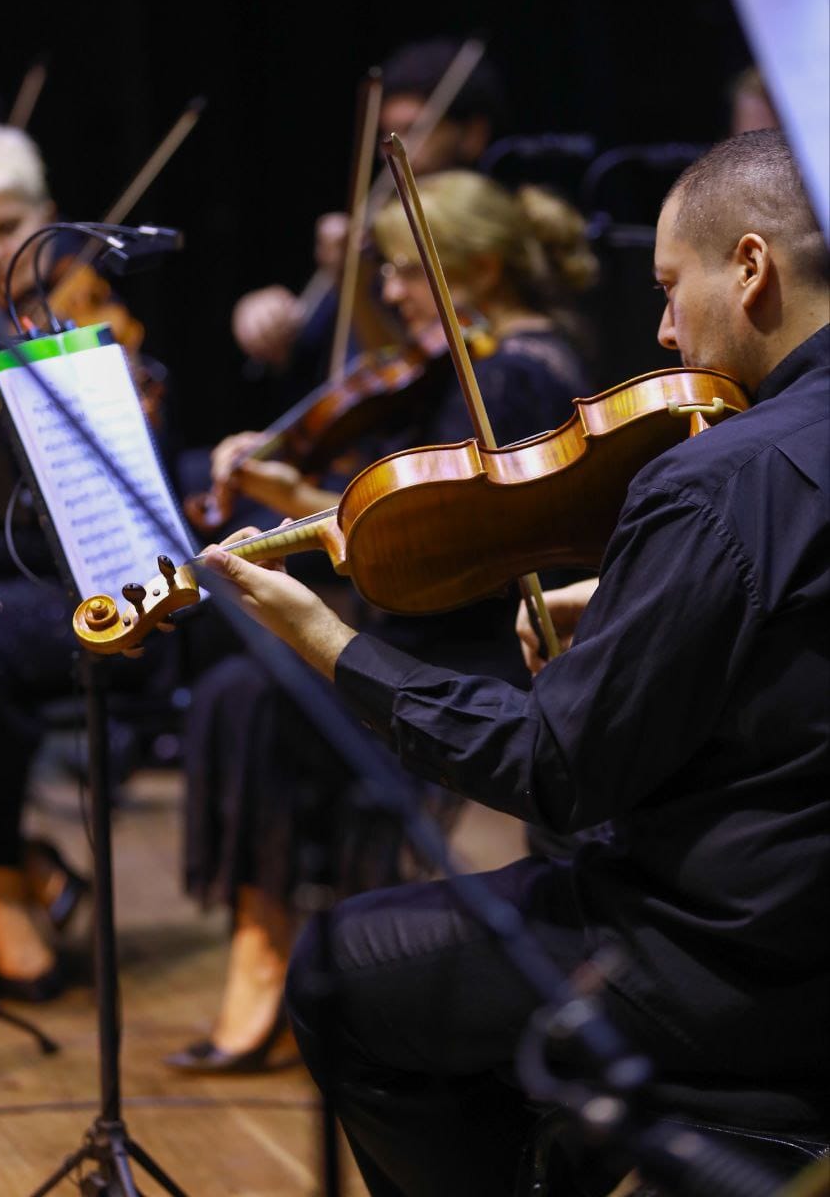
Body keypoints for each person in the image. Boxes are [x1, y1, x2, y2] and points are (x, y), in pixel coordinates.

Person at [198, 129, 829, 1194]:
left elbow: (554, 769)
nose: (664, 327)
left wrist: (328, 641)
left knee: (345, 971)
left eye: (672, 288)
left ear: (752, 267)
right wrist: (637, 608)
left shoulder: (720, 476)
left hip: (733, 956)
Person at [165, 170, 599, 1073]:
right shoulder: (480, 360)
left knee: (249, 694)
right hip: (436, 612)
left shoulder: (514, 375)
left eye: (404, 272)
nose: (392, 293)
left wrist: (298, 500)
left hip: (474, 635)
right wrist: (299, 491)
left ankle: (273, 941)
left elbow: (431, 545)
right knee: (244, 677)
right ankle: (275, 933)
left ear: (474, 268)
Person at [0, 124, 163, 1000]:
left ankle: (8, 885)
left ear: (47, 218)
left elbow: (138, 486)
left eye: (4, 224)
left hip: (75, 579)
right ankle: (23, 864)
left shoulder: (88, 319)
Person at [228, 37, 509, 378]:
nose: (388, 149)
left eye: (412, 129)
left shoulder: (493, 233)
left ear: (473, 135)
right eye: (386, 133)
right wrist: (266, 315)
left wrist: (356, 284)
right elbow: (303, 348)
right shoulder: (379, 231)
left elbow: (427, 375)